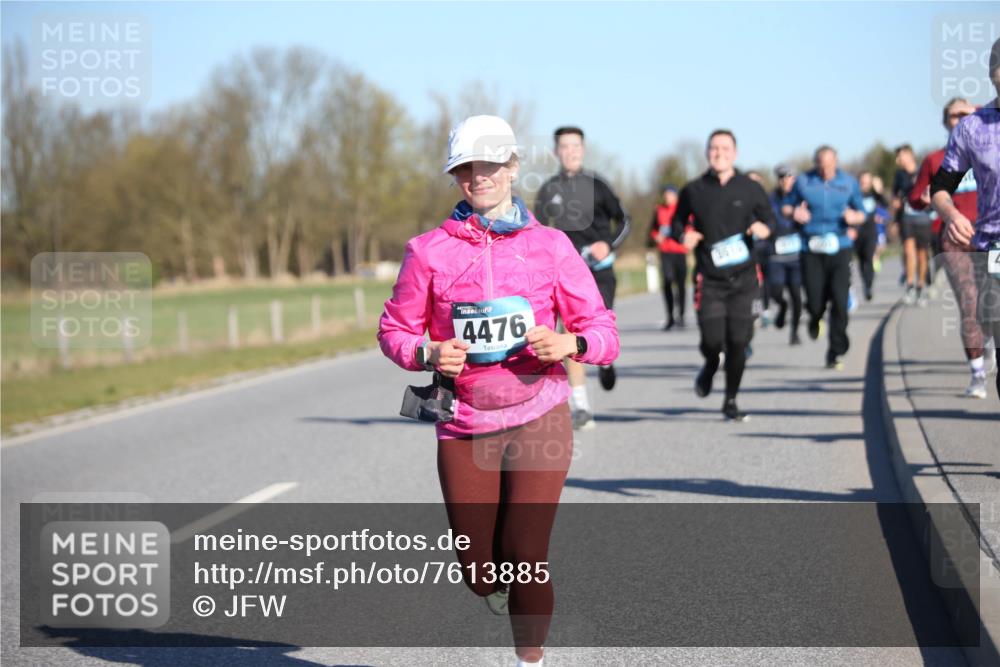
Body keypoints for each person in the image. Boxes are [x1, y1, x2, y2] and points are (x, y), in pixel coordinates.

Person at [378, 115, 620, 667]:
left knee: (527, 555)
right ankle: (490, 584)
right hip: (464, 423)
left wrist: (570, 344)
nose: (477, 176)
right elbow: (393, 331)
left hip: (540, 413)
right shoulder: (428, 251)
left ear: (512, 166)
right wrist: (427, 352)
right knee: (479, 567)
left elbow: (605, 333)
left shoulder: (552, 247)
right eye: (465, 168)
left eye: (488, 164)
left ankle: (530, 659)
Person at [671, 129, 773, 421]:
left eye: (725, 148)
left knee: (739, 342)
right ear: (707, 153)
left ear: (735, 153)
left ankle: (731, 399)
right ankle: (711, 363)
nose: (719, 153)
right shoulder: (694, 189)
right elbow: (677, 223)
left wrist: (764, 229)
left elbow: (770, 219)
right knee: (713, 341)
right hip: (710, 279)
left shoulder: (750, 188)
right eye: (714, 148)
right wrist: (684, 234)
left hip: (744, 279)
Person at [535, 126, 631, 430]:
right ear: (556, 152)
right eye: (564, 146)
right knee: (569, 333)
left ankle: (605, 360)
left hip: (600, 272)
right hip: (566, 278)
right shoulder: (548, 190)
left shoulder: (598, 185)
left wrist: (609, 244)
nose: (570, 152)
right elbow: (535, 233)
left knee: (597, 327)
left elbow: (625, 220)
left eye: (575, 146)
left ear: (583, 150)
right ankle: (581, 405)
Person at [932, 37, 1000, 403]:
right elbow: (940, 187)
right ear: (993, 75)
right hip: (993, 249)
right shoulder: (973, 128)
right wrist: (952, 212)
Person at [911, 96, 989, 398]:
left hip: (991, 237)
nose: (959, 120)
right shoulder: (936, 160)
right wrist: (925, 198)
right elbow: (915, 197)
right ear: (945, 123)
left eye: (964, 114)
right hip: (955, 239)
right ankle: (978, 374)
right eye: (953, 116)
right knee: (969, 303)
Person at [782, 145, 867, 370]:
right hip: (810, 247)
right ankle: (814, 316)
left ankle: (836, 351)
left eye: (829, 165)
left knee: (839, 300)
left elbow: (862, 212)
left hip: (839, 246)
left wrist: (854, 217)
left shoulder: (848, 182)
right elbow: (785, 206)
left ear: (836, 161)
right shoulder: (803, 181)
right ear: (815, 162)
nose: (825, 170)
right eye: (821, 165)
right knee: (814, 297)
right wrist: (794, 212)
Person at [767, 165, 804, 345]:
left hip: (796, 256)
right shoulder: (770, 199)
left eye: (789, 178)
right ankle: (782, 306)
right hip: (776, 255)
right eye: (782, 178)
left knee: (796, 295)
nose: (785, 182)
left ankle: (795, 332)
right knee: (775, 291)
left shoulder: (802, 199)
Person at [893, 145, 934, 306]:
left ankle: (920, 286)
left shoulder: (923, 170)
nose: (898, 160)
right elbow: (895, 197)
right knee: (908, 251)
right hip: (907, 217)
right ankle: (910, 285)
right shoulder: (899, 175)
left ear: (910, 155)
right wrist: (895, 213)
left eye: (900, 156)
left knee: (922, 255)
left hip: (923, 217)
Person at [648, 184, 689, 330]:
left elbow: (690, 226)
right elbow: (653, 230)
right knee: (667, 282)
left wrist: (688, 238)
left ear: (675, 196)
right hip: (665, 252)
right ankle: (670, 317)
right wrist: (655, 236)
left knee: (681, 285)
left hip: (680, 251)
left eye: (670, 194)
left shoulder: (682, 209)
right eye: (665, 194)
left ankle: (682, 315)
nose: (667, 197)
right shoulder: (659, 210)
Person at [857, 171, 888, 302]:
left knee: (869, 258)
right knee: (861, 260)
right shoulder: (855, 194)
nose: (865, 183)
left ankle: (869, 285)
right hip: (858, 231)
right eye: (863, 180)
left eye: (867, 181)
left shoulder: (874, 195)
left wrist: (879, 190)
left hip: (871, 231)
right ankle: (865, 282)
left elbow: (886, 203)